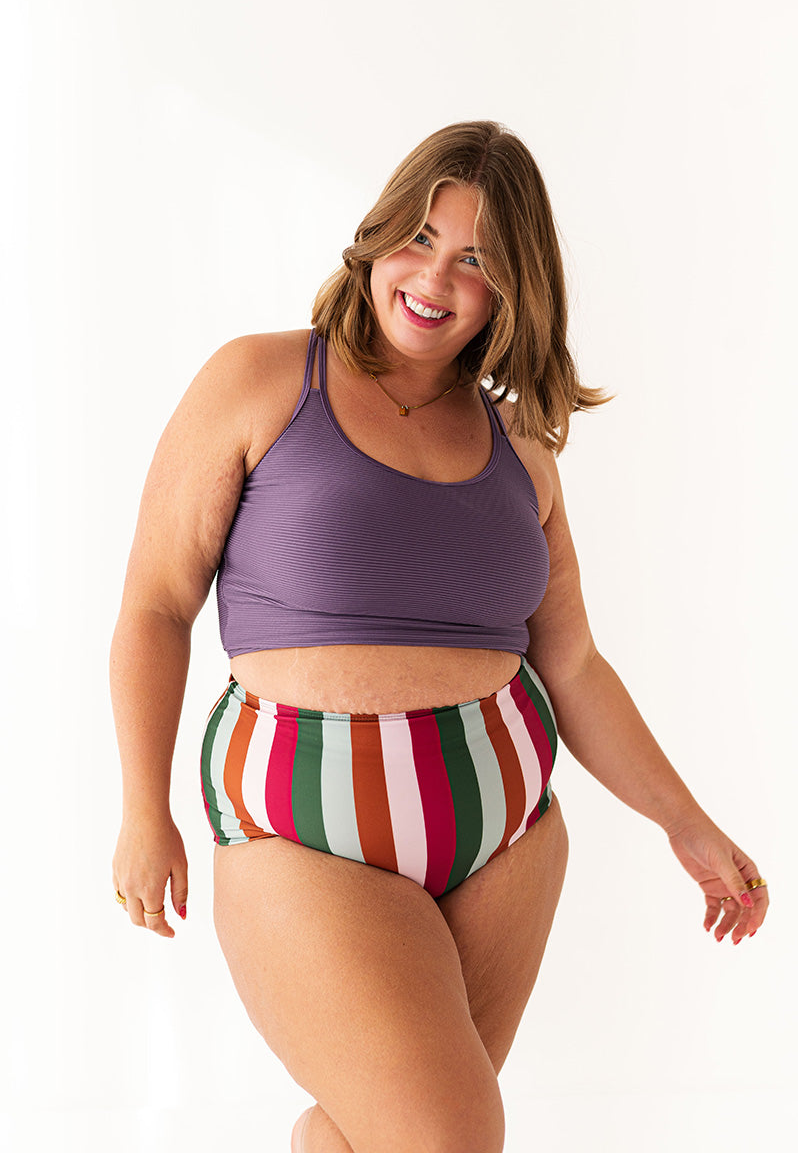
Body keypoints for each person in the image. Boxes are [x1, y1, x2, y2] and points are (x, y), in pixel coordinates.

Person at [110, 120, 769, 1153]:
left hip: (504, 840)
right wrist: (142, 809)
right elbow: (155, 605)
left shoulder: (523, 451)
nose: (434, 277)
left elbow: (572, 663)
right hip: (302, 831)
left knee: (380, 1135)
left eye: (475, 259)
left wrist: (685, 823)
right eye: (419, 238)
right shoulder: (260, 382)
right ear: (378, 237)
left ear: (514, 288)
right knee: (448, 1136)